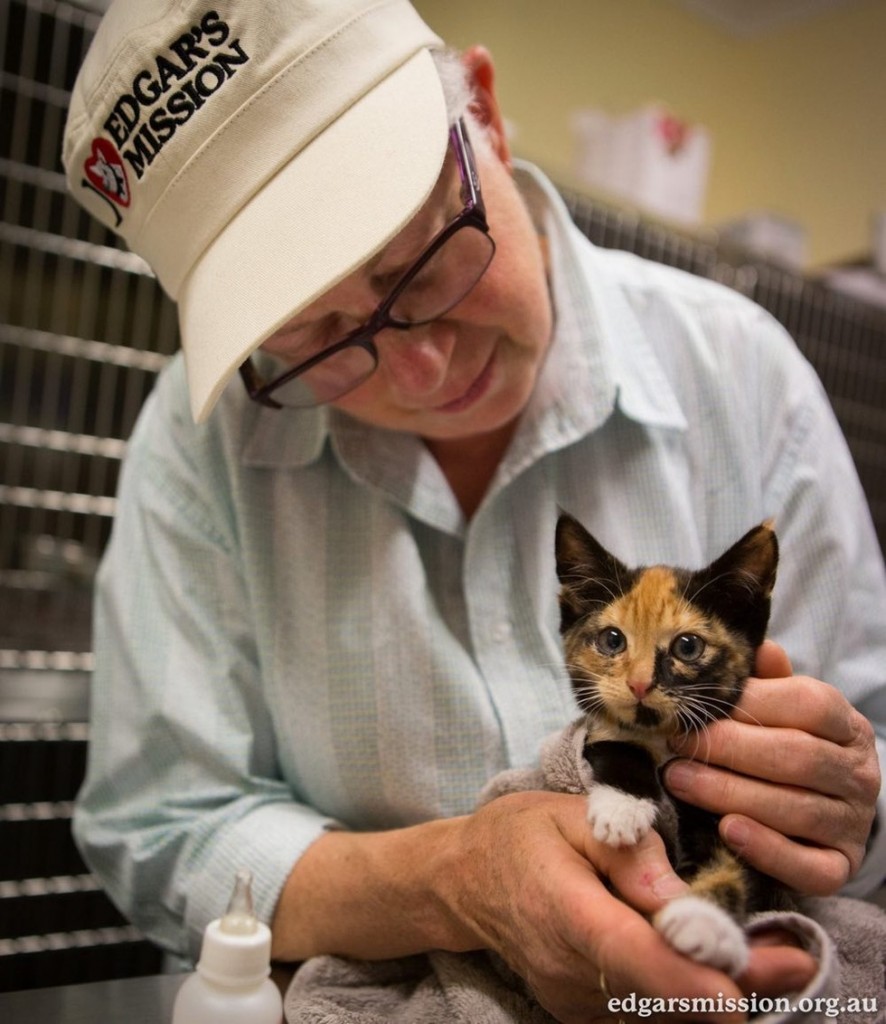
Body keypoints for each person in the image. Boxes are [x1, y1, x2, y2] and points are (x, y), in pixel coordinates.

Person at [63, 1, 885, 1021]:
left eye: (423, 259)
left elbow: (873, 753)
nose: (418, 366)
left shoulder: (742, 375)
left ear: (486, 117)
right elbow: (159, 823)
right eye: (316, 336)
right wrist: (454, 878)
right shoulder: (205, 446)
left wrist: (851, 796)